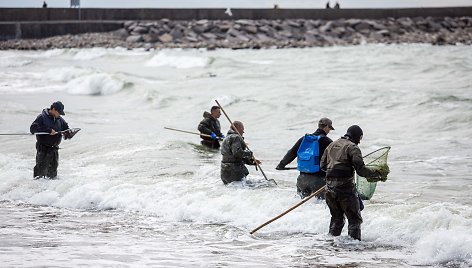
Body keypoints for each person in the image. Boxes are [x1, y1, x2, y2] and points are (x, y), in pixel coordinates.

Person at [320, 125, 381, 241]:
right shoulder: (353, 148)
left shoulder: (331, 145)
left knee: (337, 219)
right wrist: (376, 174)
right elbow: (361, 170)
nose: (360, 141)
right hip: (345, 190)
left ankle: (330, 245)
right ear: (357, 136)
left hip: (329, 190)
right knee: (354, 220)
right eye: (360, 138)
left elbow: (322, 166)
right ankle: (353, 249)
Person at [276, 118, 334, 198]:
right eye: (329, 128)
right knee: (319, 206)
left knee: (303, 207)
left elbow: (292, 152)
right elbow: (336, 158)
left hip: (302, 180)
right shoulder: (327, 141)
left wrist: (281, 165)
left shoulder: (304, 139)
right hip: (319, 181)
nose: (329, 131)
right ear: (326, 126)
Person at [30, 101, 73, 179]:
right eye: (58, 112)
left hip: (54, 150)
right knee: (40, 175)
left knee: (52, 176)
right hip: (43, 149)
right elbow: (33, 129)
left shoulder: (60, 119)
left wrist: (68, 134)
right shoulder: (42, 117)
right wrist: (48, 130)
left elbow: (66, 129)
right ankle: (36, 190)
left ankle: (49, 191)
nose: (59, 114)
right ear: (53, 109)